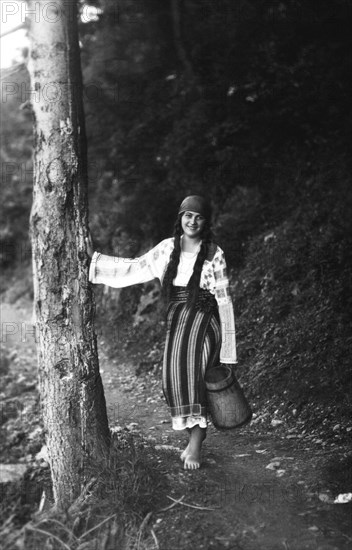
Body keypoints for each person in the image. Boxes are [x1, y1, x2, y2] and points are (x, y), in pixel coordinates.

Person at [88, 195, 237, 469]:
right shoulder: (167, 248)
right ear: (180, 218)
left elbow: (225, 300)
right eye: (188, 215)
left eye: (199, 216)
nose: (193, 221)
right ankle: (193, 435)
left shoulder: (215, 253)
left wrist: (228, 350)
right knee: (172, 379)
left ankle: (196, 442)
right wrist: (94, 264)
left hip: (205, 322)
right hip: (177, 321)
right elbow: (136, 267)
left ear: (206, 222)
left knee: (195, 376)